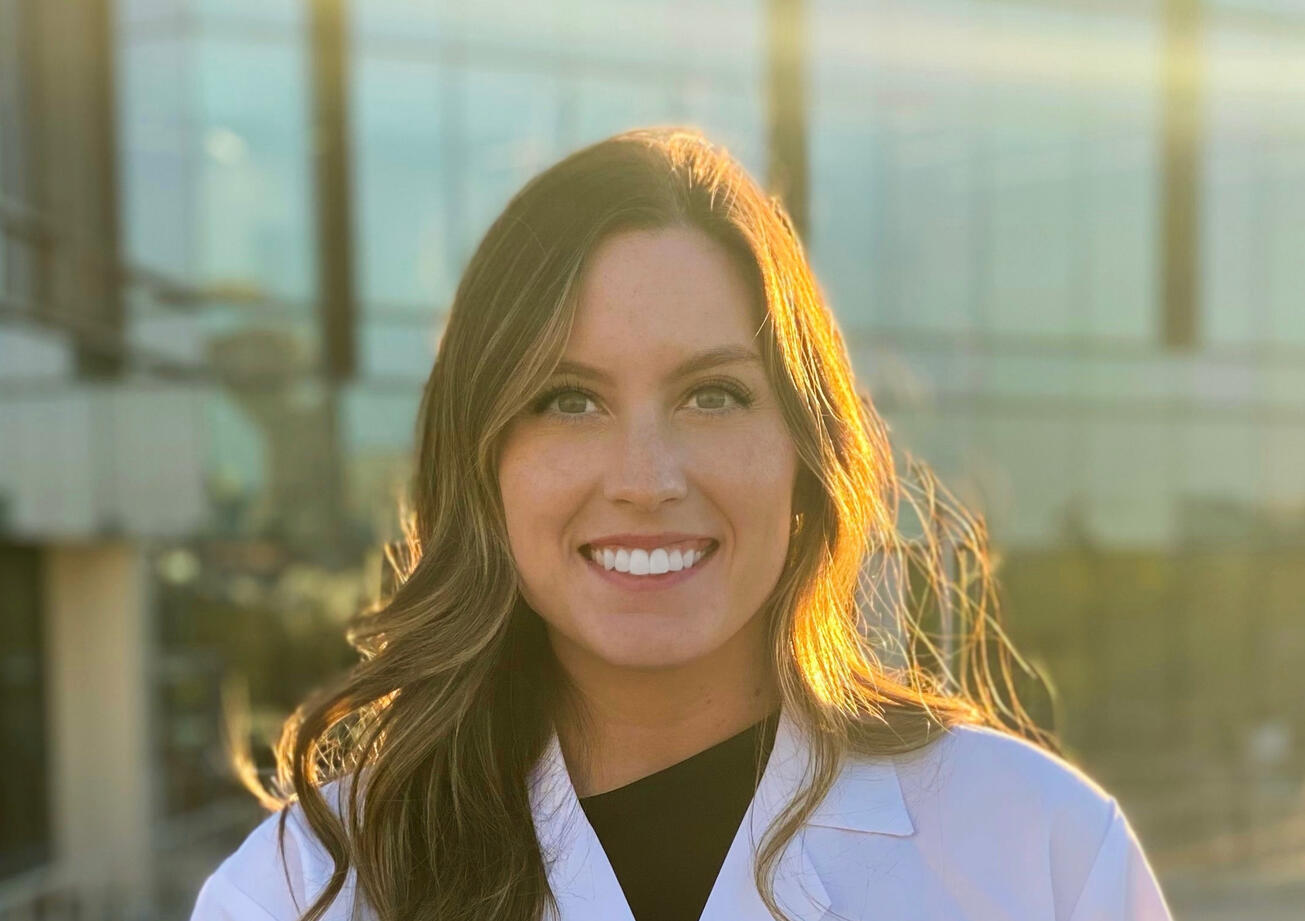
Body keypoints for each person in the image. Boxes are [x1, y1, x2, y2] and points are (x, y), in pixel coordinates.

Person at [189, 127, 1172, 921]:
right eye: (568, 401)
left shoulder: (1040, 851)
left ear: (804, 450)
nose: (646, 479)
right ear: (483, 465)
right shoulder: (300, 890)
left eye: (712, 396)